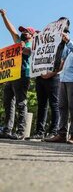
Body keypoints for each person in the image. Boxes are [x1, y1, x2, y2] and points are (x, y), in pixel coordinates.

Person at [28, 17, 70, 141]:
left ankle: (54, 131)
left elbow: (63, 61)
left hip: (54, 77)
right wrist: (41, 73)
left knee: (54, 104)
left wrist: (50, 74)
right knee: (41, 105)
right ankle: (39, 131)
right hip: (40, 76)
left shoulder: (65, 41)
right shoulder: (46, 39)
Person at [0, 9, 34, 140]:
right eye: (22, 31)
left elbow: (28, 52)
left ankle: (21, 131)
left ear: (31, 34)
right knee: (8, 102)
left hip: (23, 75)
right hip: (12, 75)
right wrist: (4, 16)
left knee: (21, 103)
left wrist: (22, 46)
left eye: (26, 31)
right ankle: (7, 129)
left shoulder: (33, 43)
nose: (23, 32)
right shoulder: (19, 41)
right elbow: (11, 29)